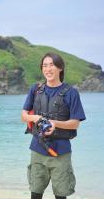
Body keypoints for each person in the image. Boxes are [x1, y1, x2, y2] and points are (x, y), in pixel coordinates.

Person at [21, 52, 86, 199]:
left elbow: (75, 124)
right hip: (37, 150)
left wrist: (55, 123)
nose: (48, 69)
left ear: (60, 68)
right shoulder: (35, 89)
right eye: (44, 65)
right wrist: (36, 118)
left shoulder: (71, 93)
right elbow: (23, 116)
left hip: (61, 153)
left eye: (52, 65)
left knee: (60, 196)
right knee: (35, 194)